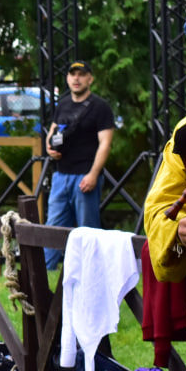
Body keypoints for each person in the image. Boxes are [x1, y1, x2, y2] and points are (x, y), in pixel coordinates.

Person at [43, 60, 115, 270]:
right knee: (52, 226)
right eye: (72, 74)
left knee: (88, 229)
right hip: (60, 176)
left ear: (90, 79)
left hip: (85, 176)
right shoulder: (63, 104)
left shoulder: (100, 107)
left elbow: (105, 143)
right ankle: (45, 270)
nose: (76, 78)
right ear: (67, 78)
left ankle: (91, 271)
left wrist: (93, 174)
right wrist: (49, 149)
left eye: (81, 74)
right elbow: (52, 132)